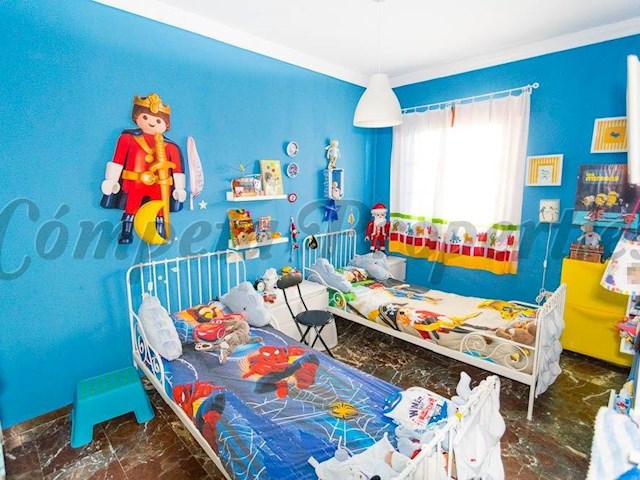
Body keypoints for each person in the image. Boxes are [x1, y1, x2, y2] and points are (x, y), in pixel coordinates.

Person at [100, 93, 186, 243]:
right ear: (137, 117)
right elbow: (118, 161)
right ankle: (126, 232)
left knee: (160, 208)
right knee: (131, 206)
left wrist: (179, 188)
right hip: (135, 182)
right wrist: (111, 180)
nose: (152, 123)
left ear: (165, 125)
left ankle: (159, 231)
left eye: (158, 120)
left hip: (159, 185)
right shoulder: (127, 139)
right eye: (145, 117)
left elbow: (177, 169)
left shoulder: (170, 147)